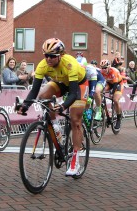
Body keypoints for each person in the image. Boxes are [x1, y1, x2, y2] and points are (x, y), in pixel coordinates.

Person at [17, 38, 87, 176]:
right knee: (43, 96)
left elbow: (73, 93)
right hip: (61, 83)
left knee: (75, 119)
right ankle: (55, 127)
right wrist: (25, 105)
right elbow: (34, 91)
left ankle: (75, 160)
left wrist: (62, 107)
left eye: (52, 56)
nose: (48, 59)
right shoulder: (42, 65)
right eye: (46, 55)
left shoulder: (70, 63)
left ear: (60, 55)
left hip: (78, 85)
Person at [99, 59, 126, 131]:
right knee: (100, 93)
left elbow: (115, 84)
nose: (103, 69)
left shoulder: (113, 71)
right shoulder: (101, 72)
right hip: (109, 84)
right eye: (102, 68)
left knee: (115, 100)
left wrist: (111, 92)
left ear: (109, 67)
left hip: (118, 84)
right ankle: (107, 116)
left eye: (105, 68)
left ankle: (119, 118)